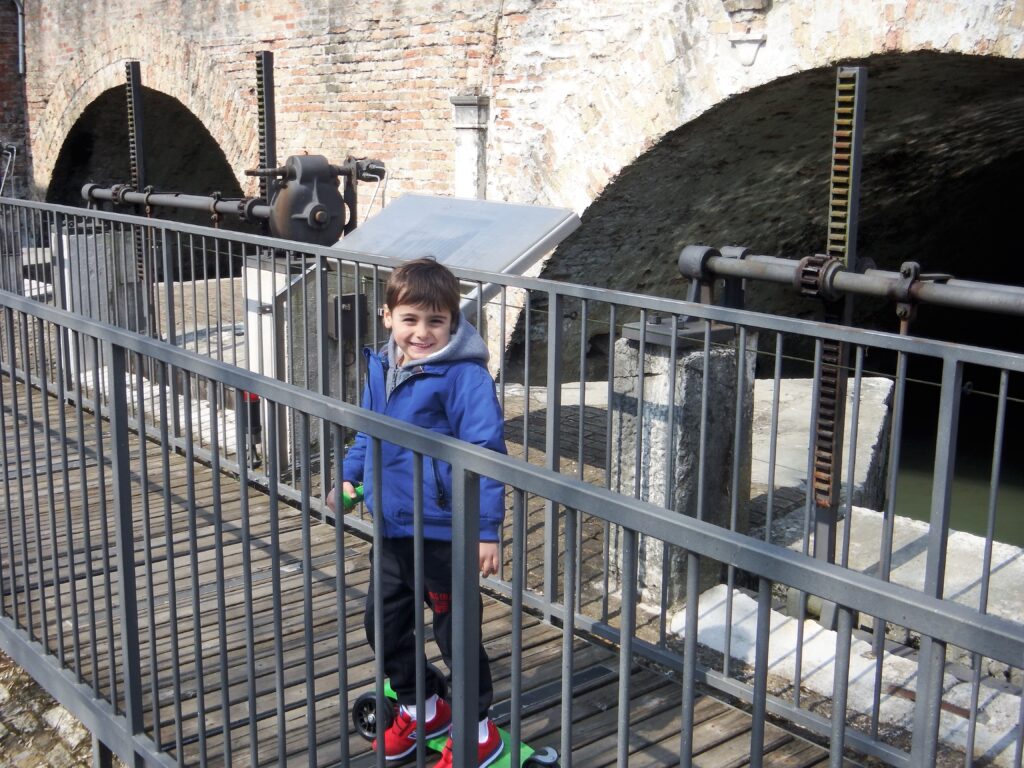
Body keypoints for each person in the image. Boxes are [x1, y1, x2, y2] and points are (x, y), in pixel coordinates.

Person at [328, 257, 507, 767]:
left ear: (454, 322)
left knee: (455, 635)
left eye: (436, 321)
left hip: (446, 532)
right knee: (383, 623)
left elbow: (486, 453)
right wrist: (351, 476)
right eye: (410, 320)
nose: (422, 333)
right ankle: (423, 706)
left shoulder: (465, 378)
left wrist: (486, 529)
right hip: (393, 525)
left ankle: (477, 732)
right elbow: (368, 428)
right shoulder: (384, 364)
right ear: (388, 317)